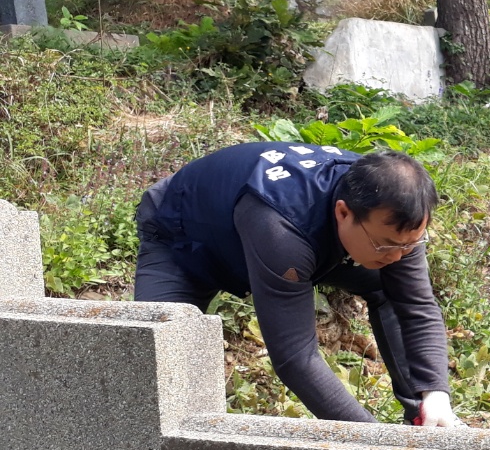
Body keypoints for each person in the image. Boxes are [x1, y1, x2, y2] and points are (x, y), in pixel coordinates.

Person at [133, 142, 456, 427]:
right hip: (184, 234)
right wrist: (373, 442)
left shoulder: (392, 207)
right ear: (344, 212)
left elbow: (415, 304)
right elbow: (296, 358)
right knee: (159, 367)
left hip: (306, 236)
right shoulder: (283, 230)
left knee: (391, 288)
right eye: (387, 246)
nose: (399, 257)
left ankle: (425, 418)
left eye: (410, 245)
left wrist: (436, 394)